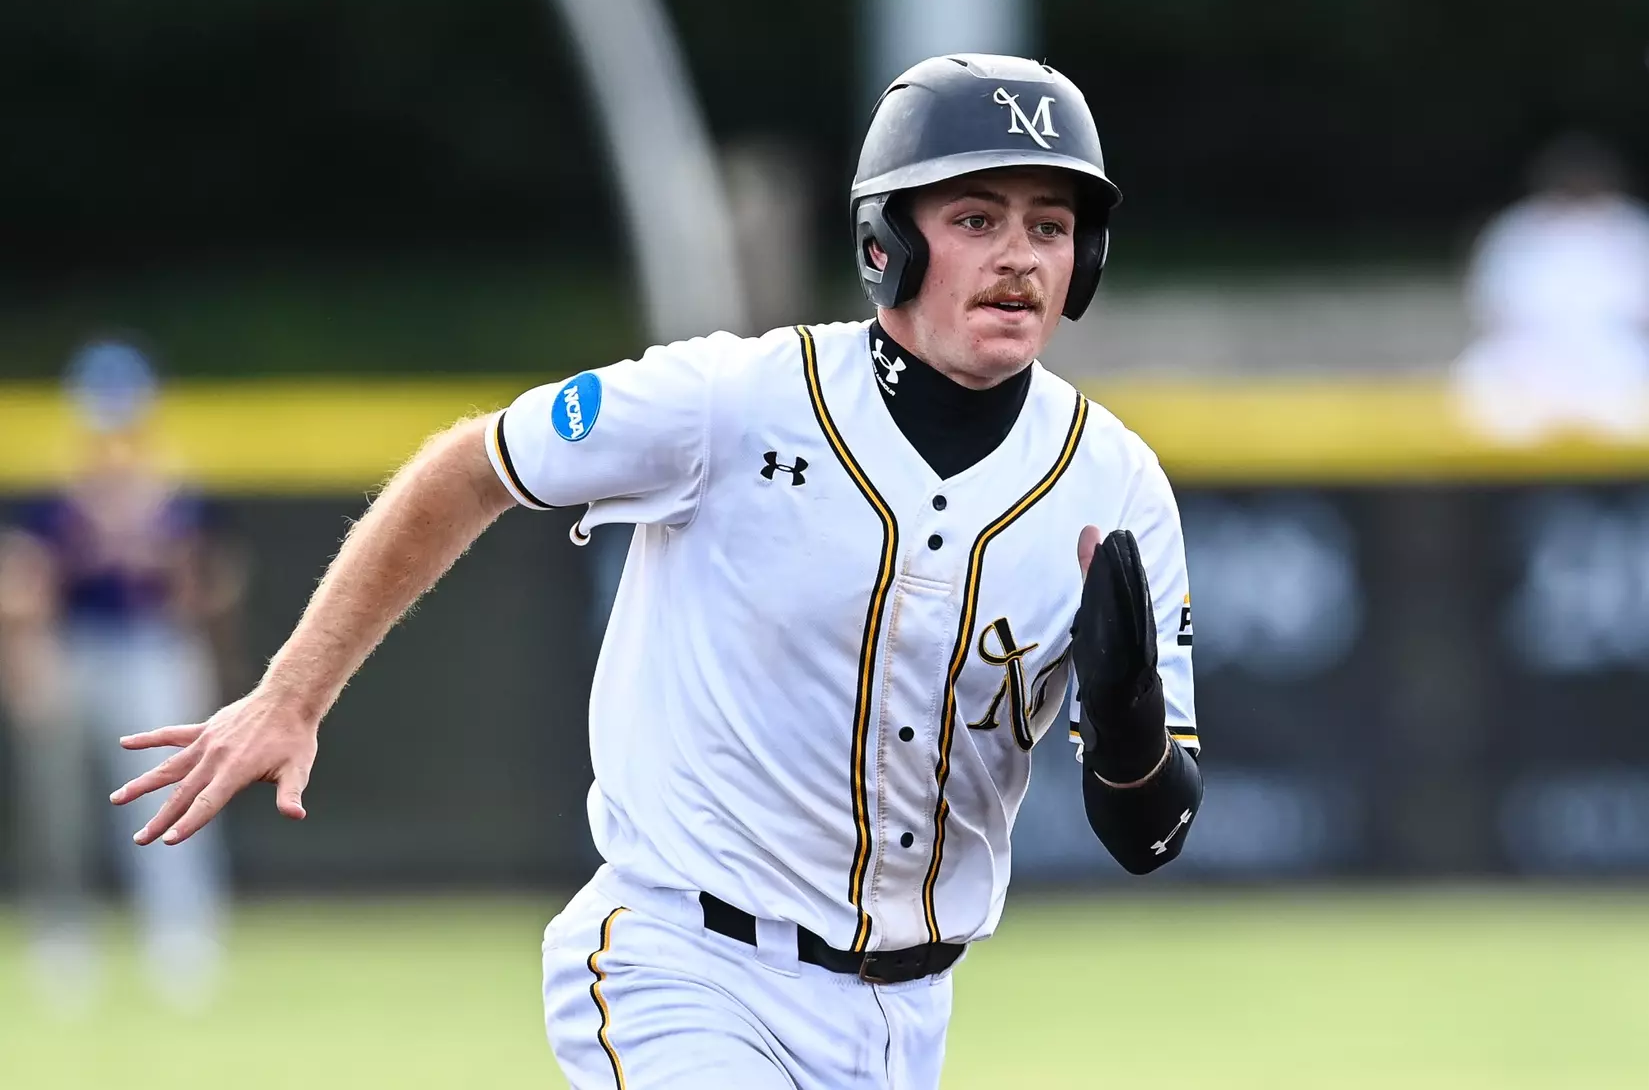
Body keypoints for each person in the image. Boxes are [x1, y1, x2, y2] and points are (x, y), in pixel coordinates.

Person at [112, 55, 1202, 1087]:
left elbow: (1149, 831)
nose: (1018, 255)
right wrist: (293, 691)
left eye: (1049, 226)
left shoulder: (1113, 486)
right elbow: (474, 463)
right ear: (888, 243)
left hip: (906, 1018)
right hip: (683, 964)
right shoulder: (733, 400)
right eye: (975, 217)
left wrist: (1125, 723)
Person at [1, 340, 242, 1014]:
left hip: (152, 650)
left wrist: (168, 566)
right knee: (57, 808)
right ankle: (62, 937)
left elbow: (212, 587)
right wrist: (26, 665)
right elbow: (23, 586)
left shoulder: (177, 496)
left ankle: (181, 936)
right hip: (73, 650)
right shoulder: (52, 499)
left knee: (174, 799)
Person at [1453, 133, 1649, 443]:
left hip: (1617, 359)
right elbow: (1493, 307)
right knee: (1482, 380)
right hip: (1531, 358)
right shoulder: (1518, 229)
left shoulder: (1631, 228)